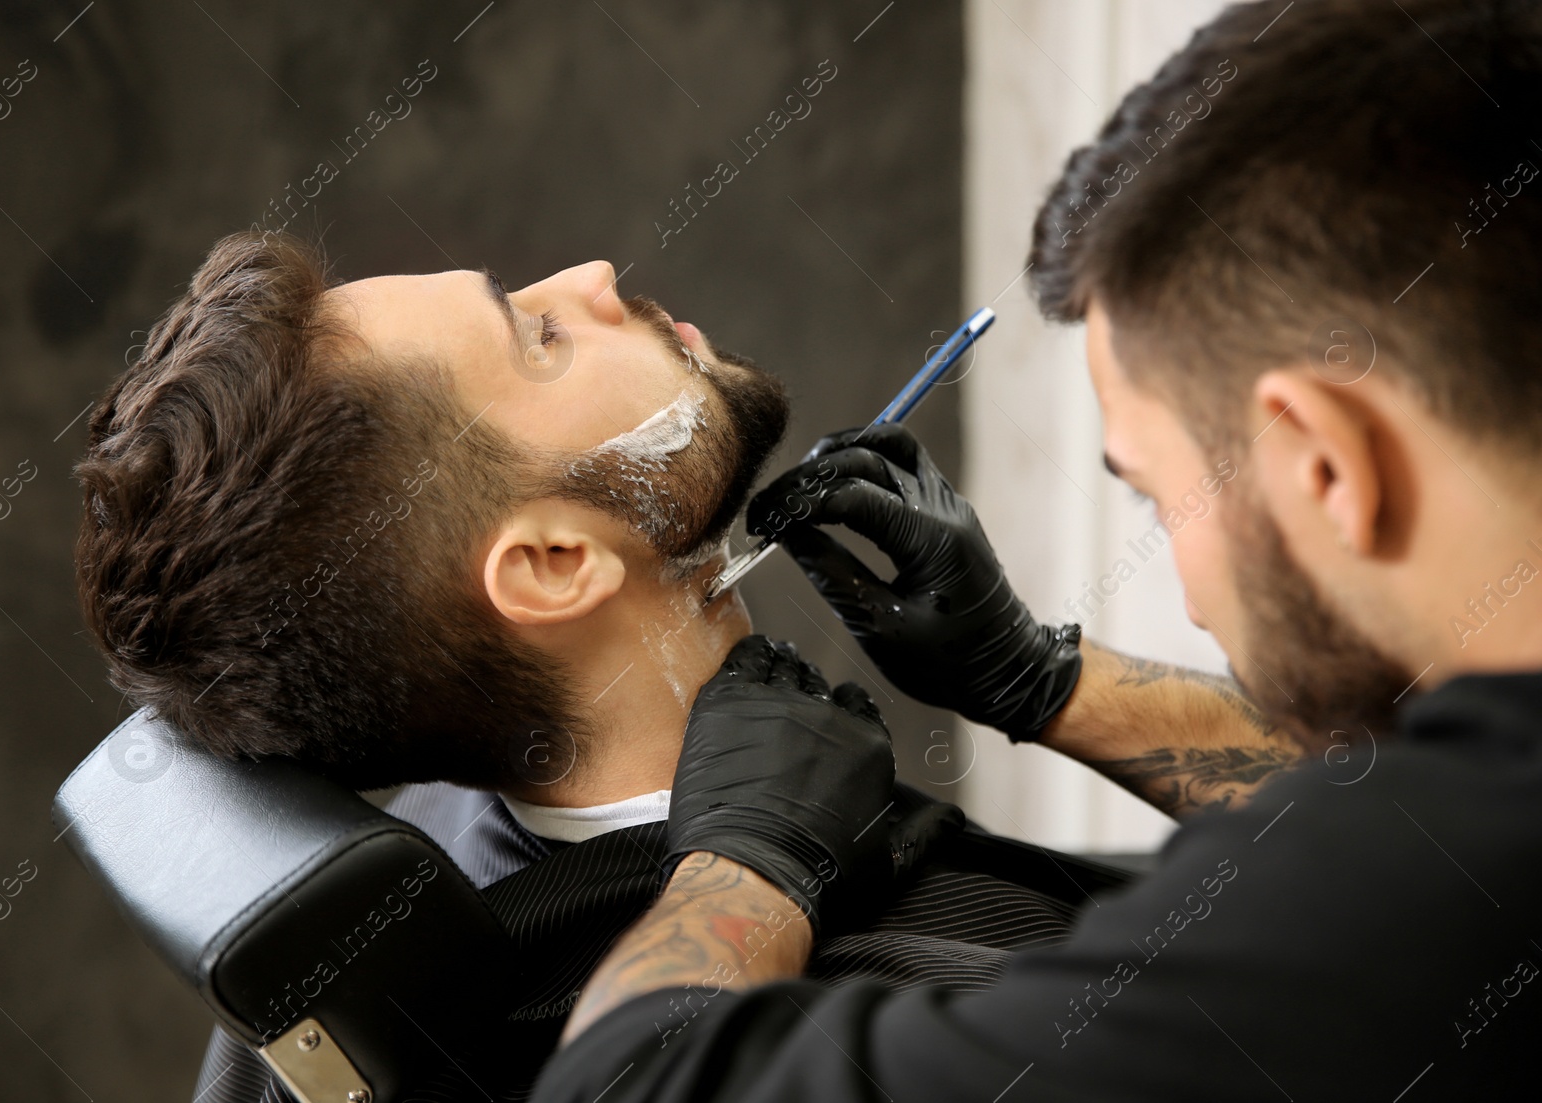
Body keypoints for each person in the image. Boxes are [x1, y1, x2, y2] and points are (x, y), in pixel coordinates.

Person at [535, 0, 1542, 1098]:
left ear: (1325, 464)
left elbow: (619, 1083)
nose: (1193, 600)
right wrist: (1041, 677)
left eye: (1159, 497)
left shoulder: (1391, 911)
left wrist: (744, 865)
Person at [71, 234, 1293, 1100]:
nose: (593, 277)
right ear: (552, 561)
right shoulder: (903, 1023)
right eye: (538, 334)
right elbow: (1439, 871)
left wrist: (1036, 679)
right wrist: (756, 868)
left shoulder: (418, 884)